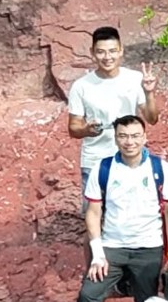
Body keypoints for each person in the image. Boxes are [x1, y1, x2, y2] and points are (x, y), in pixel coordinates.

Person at [55, 115, 168, 302]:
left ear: (145, 137)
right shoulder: (103, 169)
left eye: (135, 136)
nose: (129, 142)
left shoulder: (161, 169)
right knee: (89, 294)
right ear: (115, 139)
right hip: (112, 247)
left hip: (148, 247)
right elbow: (93, 212)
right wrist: (97, 254)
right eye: (123, 136)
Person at [65, 26, 159, 193]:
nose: (107, 57)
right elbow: (73, 128)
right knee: (94, 207)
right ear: (92, 53)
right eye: (101, 52)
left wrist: (149, 93)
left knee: (131, 207)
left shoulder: (135, 79)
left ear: (121, 50)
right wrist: (86, 130)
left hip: (131, 157)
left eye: (112, 51)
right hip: (95, 160)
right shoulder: (81, 86)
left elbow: (152, 119)